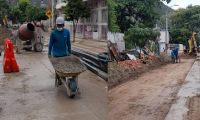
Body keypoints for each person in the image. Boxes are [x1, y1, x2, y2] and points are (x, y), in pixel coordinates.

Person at [48, 16, 71, 87]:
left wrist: (69, 51)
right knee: (58, 69)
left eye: (61, 25)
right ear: (56, 25)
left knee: (64, 68)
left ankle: (62, 78)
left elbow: (68, 42)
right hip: (56, 54)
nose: (60, 26)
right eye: (58, 25)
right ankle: (58, 79)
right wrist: (49, 53)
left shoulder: (67, 32)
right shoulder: (53, 33)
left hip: (64, 54)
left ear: (63, 25)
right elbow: (51, 43)